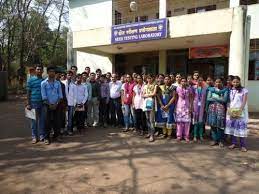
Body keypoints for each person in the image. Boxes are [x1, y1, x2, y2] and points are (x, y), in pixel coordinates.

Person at [225, 76, 249, 152]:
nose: (235, 83)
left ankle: (243, 145)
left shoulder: (244, 90)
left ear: (240, 82)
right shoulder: (230, 90)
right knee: (233, 128)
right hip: (231, 111)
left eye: (237, 82)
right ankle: (233, 143)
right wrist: (229, 110)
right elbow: (229, 101)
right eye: (234, 82)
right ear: (232, 82)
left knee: (241, 128)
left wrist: (239, 111)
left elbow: (244, 101)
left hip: (240, 111)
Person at [41, 66, 63, 144]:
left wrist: (56, 104)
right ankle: (46, 137)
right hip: (47, 105)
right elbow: (44, 96)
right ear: (47, 73)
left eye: (53, 71)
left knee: (57, 121)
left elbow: (60, 96)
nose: (52, 73)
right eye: (50, 71)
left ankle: (56, 136)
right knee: (47, 122)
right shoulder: (43, 83)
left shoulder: (58, 83)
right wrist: (50, 104)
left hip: (57, 105)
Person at [206, 78, 228, 147]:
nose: (217, 83)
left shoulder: (225, 90)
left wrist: (214, 98)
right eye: (216, 82)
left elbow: (224, 100)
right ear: (214, 83)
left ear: (221, 83)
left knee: (220, 125)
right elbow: (208, 98)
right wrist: (219, 99)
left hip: (220, 109)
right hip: (212, 109)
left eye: (219, 82)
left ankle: (220, 141)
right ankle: (215, 140)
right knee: (213, 125)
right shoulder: (211, 89)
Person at [26, 64, 45, 144]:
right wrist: (28, 103)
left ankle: (41, 136)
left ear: (43, 71)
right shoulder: (30, 80)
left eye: (40, 69)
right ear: (35, 70)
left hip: (42, 103)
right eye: (38, 69)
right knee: (33, 121)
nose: (39, 71)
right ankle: (34, 137)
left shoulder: (44, 81)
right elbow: (28, 92)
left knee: (42, 120)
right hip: (33, 103)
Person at [156, 75, 176, 139]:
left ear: (170, 80)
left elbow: (174, 97)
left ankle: (169, 134)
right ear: (164, 80)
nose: (166, 80)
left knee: (169, 119)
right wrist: (161, 105)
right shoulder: (160, 87)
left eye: (168, 79)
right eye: (165, 79)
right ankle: (164, 133)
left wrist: (168, 105)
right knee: (163, 119)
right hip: (162, 106)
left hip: (170, 106)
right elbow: (158, 96)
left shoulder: (173, 87)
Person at [175, 77, 193, 142]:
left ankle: (186, 136)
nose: (183, 82)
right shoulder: (178, 88)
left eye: (184, 81)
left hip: (187, 106)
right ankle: (179, 136)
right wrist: (175, 107)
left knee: (187, 122)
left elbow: (191, 98)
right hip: (179, 106)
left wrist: (191, 107)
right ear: (180, 82)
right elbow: (176, 97)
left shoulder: (189, 89)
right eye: (182, 81)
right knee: (179, 122)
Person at [142, 74, 158, 142]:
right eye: (148, 78)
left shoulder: (155, 85)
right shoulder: (145, 86)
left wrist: (146, 95)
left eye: (151, 78)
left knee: (151, 120)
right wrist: (147, 95)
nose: (149, 79)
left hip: (152, 103)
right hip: (146, 103)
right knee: (147, 119)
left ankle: (152, 135)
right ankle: (149, 132)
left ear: (153, 79)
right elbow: (142, 94)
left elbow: (154, 94)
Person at [192, 76, 207, 142]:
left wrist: (205, 107)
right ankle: (195, 136)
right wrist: (191, 106)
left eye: (201, 80)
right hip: (195, 106)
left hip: (202, 107)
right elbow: (191, 97)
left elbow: (206, 98)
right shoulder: (194, 88)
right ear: (197, 81)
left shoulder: (205, 88)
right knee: (195, 122)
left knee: (201, 122)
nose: (200, 81)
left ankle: (200, 135)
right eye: (199, 80)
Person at [64, 71, 76, 135]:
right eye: (68, 74)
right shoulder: (63, 83)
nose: (69, 76)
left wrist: (74, 104)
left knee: (70, 117)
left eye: (71, 75)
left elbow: (75, 95)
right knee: (65, 117)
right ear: (66, 75)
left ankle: (70, 130)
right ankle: (64, 129)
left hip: (71, 103)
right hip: (64, 103)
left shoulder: (73, 85)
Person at [56, 69, 67, 136]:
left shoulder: (62, 85)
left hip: (61, 104)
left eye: (59, 74)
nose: (58, 75)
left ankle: (60, 130)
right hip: (52, 104)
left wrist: (65, 104)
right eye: (57, 74)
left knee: (61, 117)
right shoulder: (51, 83)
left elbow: (64, 95)